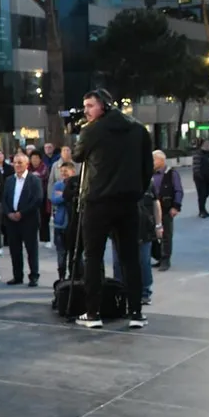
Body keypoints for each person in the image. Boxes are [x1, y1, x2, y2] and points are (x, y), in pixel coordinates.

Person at [72, 88, 153, 329]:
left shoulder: (92, 130)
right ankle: (136, 312)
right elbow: (147, 168)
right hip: (128, 202)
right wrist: (136, 192)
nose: (86, 111)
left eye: (90, 106)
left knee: (93, 257)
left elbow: (77, 156)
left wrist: (83, 132)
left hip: (97, 202)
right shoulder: (138, 129)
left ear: (104, 106)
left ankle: (93, 313)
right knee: (130, 258)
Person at [2, 153, 43, 287]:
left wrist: (22, 213)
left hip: (28, 220)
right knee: (15, 250)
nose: (17, 165)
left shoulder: (34, 180)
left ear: (26, 164)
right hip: (12, 221)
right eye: (15, 162)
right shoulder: (9, 180)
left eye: (20, 162)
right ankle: (17, 276)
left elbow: (37, 199)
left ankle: (34, 276)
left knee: (31, 249)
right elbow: (4, 199)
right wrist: (9, 213)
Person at [150, 150, 182, 271]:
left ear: (161, 160)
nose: (152, 162)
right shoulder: (150, 173)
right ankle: (158, 256)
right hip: (151, 209)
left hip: (166, 208)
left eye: (154, 159)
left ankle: (165, 260)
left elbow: (178, 191)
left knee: (166, 236)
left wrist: (176, 207)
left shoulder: (171, 173)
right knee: (151, 235)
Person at [50, 162, 75, 282]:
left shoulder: (76, 185)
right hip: (60, 224)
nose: (63, 173)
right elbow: (54, 199)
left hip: (73, 224)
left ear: (72, 172)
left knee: (73, 253)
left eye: (66, 171)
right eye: (62, 171)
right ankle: (61, 277)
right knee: (61, 253)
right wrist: (66, 195)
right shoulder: (58, 185)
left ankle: (73, 276)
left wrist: (63, 195)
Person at [191, 138, 209, 217]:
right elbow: (196, 166)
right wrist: (199, 175)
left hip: (208, 177)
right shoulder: (198, 154)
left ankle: (203, 210)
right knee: (202, 194)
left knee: (206, 194)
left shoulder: (208, 155)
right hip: (200, 178)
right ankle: (202, 211)